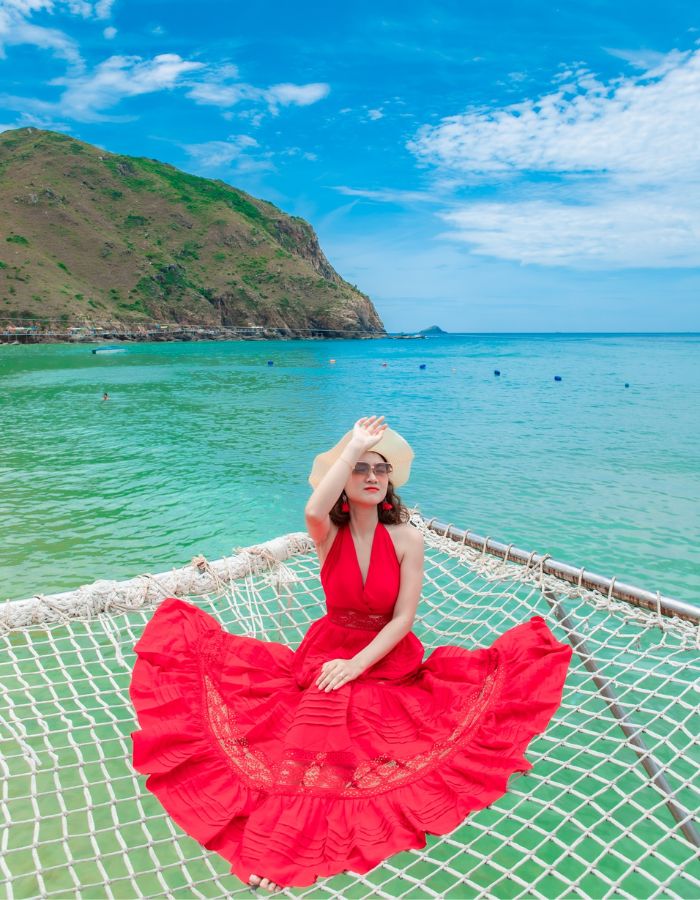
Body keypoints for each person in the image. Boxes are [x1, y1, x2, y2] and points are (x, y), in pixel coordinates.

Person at [129, 415, 573, 893]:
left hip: (386, 658)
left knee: (347, 740)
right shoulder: (327, 533)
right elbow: (316, 505)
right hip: (326, 649)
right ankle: (273, 851)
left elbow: (403, 619)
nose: (372, 477)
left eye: (381, 470)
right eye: (361, 469)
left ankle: (280, 855)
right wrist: (354, 445)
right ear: (345, 481)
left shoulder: (407, 538)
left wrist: (355, 666)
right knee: (299, 739)